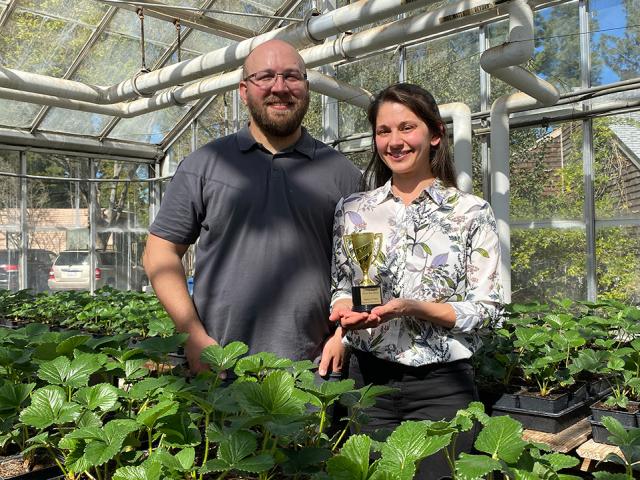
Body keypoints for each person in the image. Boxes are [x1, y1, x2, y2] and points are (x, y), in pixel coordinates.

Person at [144, 39, 361, 375]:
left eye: (292, 77)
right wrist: (193, 336)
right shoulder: (205, 165)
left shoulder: (342, 174)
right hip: (219, 366)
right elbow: (160, 253)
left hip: (314, 371)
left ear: (306, 88)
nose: (280, 87)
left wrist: (343, 336)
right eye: (266, 77)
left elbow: (364, 269)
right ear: (243, 91)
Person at [329, 83, 503, 479]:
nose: (394, 141)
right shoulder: (354, 210)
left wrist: (413, 308)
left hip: (441, 385)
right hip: (367, 381)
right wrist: (341, 310)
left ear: (435, 134)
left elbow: (487, 310)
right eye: (383, 131)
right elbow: (341, 283)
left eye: (407, 128)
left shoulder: (470, 212)